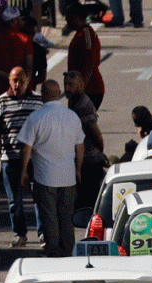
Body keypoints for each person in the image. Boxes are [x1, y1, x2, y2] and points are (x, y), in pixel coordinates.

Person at [16, 78, 82, 257]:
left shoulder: (36, 117)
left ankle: (53, 250)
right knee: (66, 217)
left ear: (43, 95)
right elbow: (79, 145)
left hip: (45, 177)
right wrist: (78, 169)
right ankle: (68, 250)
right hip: (68, 177)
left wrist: (23, 171)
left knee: (49, 217)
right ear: (58, 93)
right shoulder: (72, 116)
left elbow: (26, 148)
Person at [0, 65, 41, 247]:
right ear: (9, 81)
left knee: (38, 197)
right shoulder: (2, 101)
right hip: (9, 157)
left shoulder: (38, 101)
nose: (17, 84)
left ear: (28, 81)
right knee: (14, 200)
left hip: (34, 158)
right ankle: (20, 234)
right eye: (14, 80)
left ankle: (43, 233)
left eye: (21, 81)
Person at [61, 69, 105, 210]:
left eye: (71, 84)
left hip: (89, 161)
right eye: (65, 84)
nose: (67, 88)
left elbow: (94, 132)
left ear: (81, 85)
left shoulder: (83, 104)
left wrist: (99, 150)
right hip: (79, 159)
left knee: (88, 203)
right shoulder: (73, 101)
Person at [65, 4, 104, 109]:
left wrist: (80, 90)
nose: (66, 20)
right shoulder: (79, 34)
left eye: (68, 16)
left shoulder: (86, 35)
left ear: (76, 16)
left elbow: (89, 64)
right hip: (80, 89)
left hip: (90, 90)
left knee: (83, 122)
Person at [0, 8, 33, 83]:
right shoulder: (25, 39)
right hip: (23, 86)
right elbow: (29, 66)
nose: (22, 21)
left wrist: (11, 77)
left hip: (2, 88)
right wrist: (22, 81)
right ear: (13, 21)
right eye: (20, 18)